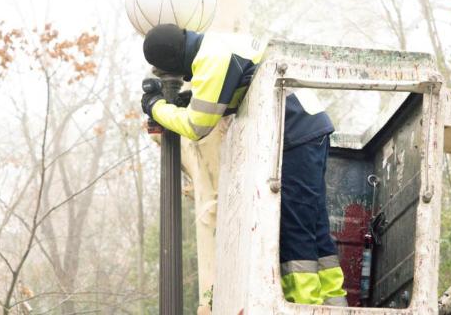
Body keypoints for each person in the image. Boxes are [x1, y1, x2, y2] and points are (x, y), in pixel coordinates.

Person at [140, 23, 347, 306]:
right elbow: (244, 88)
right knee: (314, 224)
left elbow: (195, 126)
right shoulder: (217, 44)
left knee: (294, 227)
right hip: (308, 126)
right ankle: (335, 305)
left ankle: (305, 305)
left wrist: (156, 107)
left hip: (293, 133)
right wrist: (192, 99)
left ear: (172, 61)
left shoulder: (211, 61)